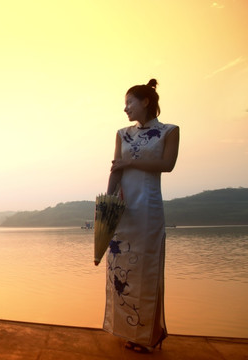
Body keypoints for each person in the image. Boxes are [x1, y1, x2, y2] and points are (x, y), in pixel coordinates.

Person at [103, 78, 179, 353]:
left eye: (129, 103)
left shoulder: (169, 131)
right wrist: (107, 205)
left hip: (148, 209)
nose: (125, 109)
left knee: (146, 270)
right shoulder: (122, 133)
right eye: (124, 104)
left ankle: (150, 334)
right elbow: (116, 170)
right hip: (124, 210)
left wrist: (130, 161)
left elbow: (167, 165)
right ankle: (127, 330)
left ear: (145, 101)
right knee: (121, 268)